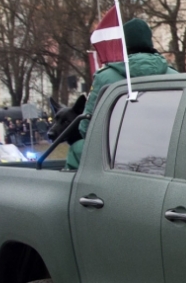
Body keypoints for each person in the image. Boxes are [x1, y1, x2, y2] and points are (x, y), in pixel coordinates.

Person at [66, 18, 173, 170]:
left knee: (77, 149)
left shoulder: (104, 77)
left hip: (117, 161)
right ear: (150, 42)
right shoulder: (174, 75)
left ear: (124, 43)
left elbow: (87, 126)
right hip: (167, 159)